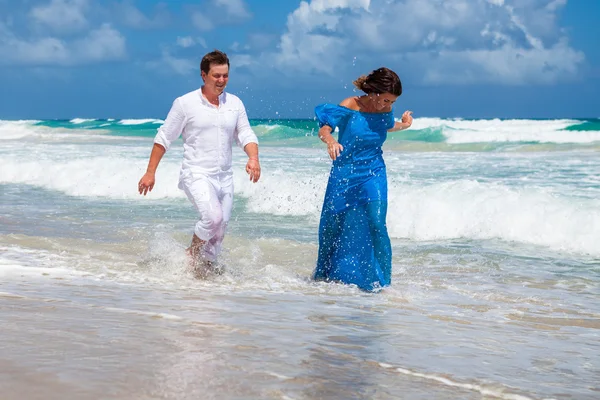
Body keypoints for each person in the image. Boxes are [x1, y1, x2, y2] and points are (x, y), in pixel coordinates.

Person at [138, 50, 261, 277]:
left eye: (225, 75)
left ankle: (204, 278)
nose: (221, 81)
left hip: (224, 177)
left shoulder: (234, 103)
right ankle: (191, 254)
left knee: (219, 230)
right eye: (216, 76)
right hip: (196, 173)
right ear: (203, 75)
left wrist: (253, 158)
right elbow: (164, 138)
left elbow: (245, 134)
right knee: (212, 218)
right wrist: (150, 173)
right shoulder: (185, 103)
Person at [313, 67, 413, 291]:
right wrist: (330, 141)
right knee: (332, 227)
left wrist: (404, 125)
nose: (388, 106)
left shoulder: (385, 110)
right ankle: (324, 275)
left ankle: (383, 284)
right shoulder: (350, 105)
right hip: (344, 174)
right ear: (375, 92)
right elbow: (325, 129)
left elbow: (387, 125)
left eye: (392, 102)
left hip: (374, 172)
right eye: (385, 99)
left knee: (377, 223)